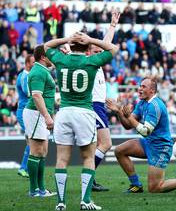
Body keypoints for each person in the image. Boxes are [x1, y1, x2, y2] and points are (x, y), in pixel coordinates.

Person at [44, 32, 119, 210]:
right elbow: (113, 49)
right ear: (86, 47)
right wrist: (91, 40)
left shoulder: (61, 59)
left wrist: (66, 40)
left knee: (62, 159)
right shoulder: (91, 61)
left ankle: (61, 202)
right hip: (84, 112)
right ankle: (85, 201)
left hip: (64, 112)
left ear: (71, 45)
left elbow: (46, 46)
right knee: (88, 158)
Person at [106, 78, 176, 194]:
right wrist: (119, 112)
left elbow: (145, 131)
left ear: (152, 91)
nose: (139, 89)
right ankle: (136, 185)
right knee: (119, 151)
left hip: (160, 147)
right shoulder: (142, 103)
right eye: (140, 86)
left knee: (155, 188)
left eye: (143, 87)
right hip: (148, 143)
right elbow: (128, 125)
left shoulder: (155, 105)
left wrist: (128, 116)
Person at [91, 11, 120, 192]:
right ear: (89, 52)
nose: (100, 52)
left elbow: (105, 44)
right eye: (96, 50)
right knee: (106, 143)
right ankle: (88, 175)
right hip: (94, 105)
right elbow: (108, 45)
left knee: (94, 144)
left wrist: (112, 25)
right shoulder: (90, 62)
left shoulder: (96, 61)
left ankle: (90, 179)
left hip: (97, 104)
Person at [23, 46, 56, 198]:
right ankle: (33, 190)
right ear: (43, 57)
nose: (52, 57)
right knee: (36, 151)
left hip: (40, 114)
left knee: (42, 152)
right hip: (36, 114)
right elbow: (36, 96)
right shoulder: (37, 71)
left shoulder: (42, 71)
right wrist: (47, 116)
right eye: (50, 55)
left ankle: (41, 189)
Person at [16, 55, 35, 178]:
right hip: (24, 112)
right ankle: (23, 168)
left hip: (27, 111)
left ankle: (25, 168)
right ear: (27, 63)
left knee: (31, 140)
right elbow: (28, 93)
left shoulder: (27, 75)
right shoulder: (24, 76)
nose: (35, 64)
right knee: (32, 140)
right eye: (33, 62)